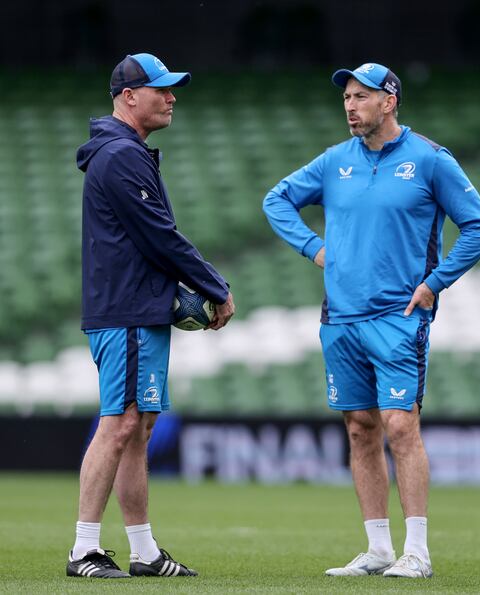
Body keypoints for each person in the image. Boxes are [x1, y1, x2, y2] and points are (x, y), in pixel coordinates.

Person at [263, 63, 480, 579]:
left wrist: (435, 283)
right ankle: (377, 548)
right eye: (346, 96)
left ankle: (418, 551)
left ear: (389, 101)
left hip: (398, 317)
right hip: (340, 317)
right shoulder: (333, 162)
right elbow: (275, 200)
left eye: (361, 96)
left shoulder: (431, 160)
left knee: (400, 425)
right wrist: (313, 247)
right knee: (359, 428)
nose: (350, 105)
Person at [69, 53, 236, 579]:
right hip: (126, 311)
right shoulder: (121, 155)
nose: (171, 96)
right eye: (160, 89)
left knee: (138, 427)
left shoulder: (125, 151)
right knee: (119, 424)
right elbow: (159, 236)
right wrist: (215, 288)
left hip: (132, 308)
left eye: (171, 89)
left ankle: (143, 551)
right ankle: (83, 550)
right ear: (128, 96)